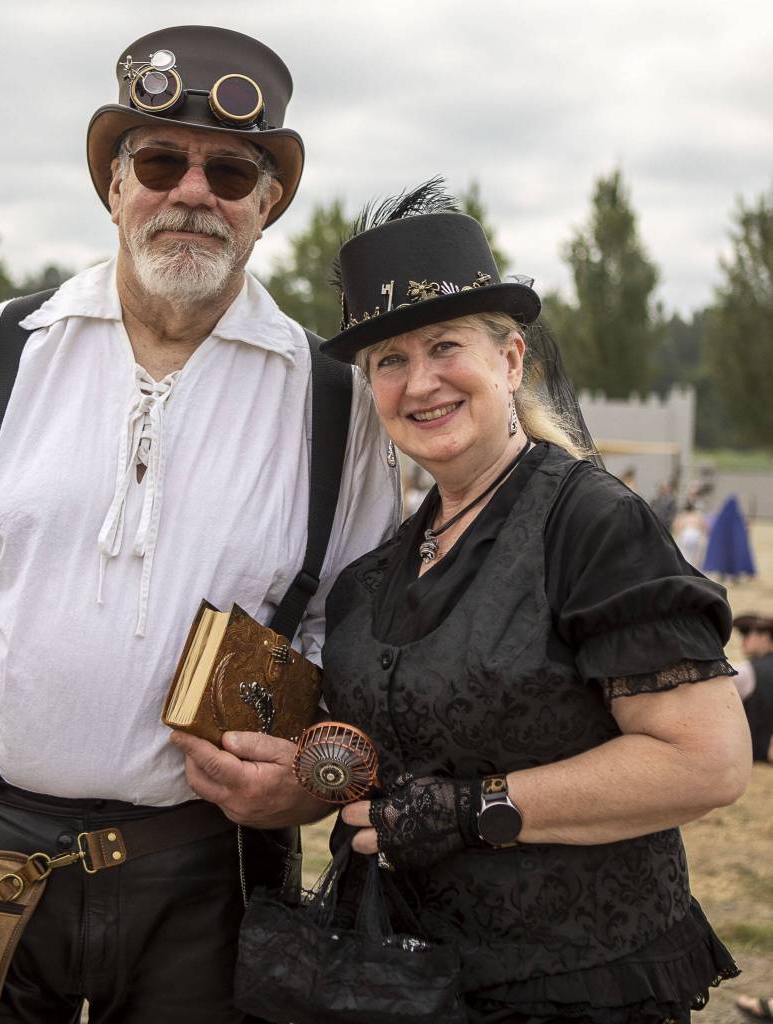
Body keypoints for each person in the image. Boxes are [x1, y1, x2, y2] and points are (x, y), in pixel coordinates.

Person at [0, 26, 398, 1024]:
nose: (193, 191)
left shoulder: (336, 403)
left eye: (230, 170)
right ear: (114, 186)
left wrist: (308, 785)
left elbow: (359, 655)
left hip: (215, 878)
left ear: (267, 204)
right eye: (159, 160)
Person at [316, 183, 752, 1024]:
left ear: (510, 361)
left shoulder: (590, 522)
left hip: (571, 985)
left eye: (444, 346)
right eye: (388, 362)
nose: (419, 382)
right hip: (410, 977)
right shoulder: (383, 565)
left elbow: (707, 762)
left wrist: (474, 810)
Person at [730, 613, 773, 762]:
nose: (743, 641)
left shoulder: (747, 671)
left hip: (753, 757)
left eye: (747, 634)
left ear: (765, 637)